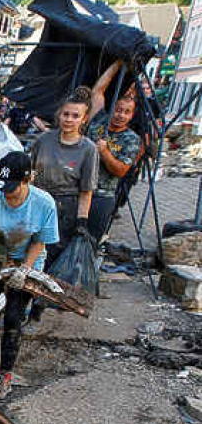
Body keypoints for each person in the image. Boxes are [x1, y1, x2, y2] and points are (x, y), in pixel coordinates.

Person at [0, 152, 59, 400]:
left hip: (27, 257)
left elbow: (40, 241)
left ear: (28, 180)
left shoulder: (43, 203)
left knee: (14, 315)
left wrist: (25, 269)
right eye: (3, 189)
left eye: (13, 190)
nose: (7, 194)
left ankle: (6, 372)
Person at [29, 87, 99, 270]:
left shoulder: (88, 149)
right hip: (37, 201)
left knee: (53, 259)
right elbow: (30, 173)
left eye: (75, 116)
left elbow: (86, 190)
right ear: (59, 115)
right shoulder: (43, 140)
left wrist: (81, 221)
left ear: (84, 119)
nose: (69, 119)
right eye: (65, 114)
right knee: (30, 252)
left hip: (65, 209)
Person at [87, 60, 142, 244]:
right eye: (118, 110)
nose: (121, 115)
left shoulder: (131, 139)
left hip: (102, 197)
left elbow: (120, 170)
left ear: (132, 115)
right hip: (78, 191)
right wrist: (117, 64)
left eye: (127, 112)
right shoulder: (98, 121)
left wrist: (104, 151)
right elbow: (97, 91)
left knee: (90, 243)